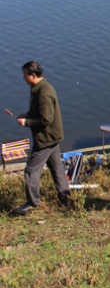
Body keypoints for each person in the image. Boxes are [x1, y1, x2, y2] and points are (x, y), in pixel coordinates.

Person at [12, 62, 71, 216]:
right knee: (56, 166)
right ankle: (65, 196)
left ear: (32, 75)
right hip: (52, 136)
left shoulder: (43, 92)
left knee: (31, 170)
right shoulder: (39, 88)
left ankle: (33, 202)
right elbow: (40, 112)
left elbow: (46, 119)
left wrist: (27, 122)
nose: (23, 78)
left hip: (46, 138)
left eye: (25, 74)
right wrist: (28, 114)